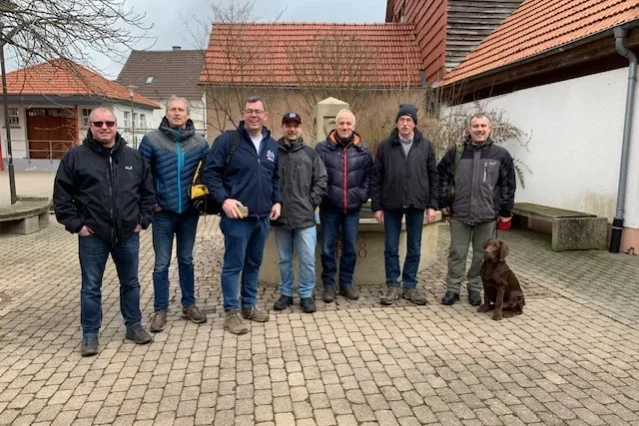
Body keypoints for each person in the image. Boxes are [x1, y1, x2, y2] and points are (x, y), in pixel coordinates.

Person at [53, 107, 155, 356]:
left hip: (127, 234)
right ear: (90, 126)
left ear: (116, 125)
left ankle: (134, 325)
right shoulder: (76, 157)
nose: (104, 127)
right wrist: (76, 225)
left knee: (131, 283)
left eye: (109, 123)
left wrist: (142, 220)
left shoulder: (133, 157)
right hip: (93, 235)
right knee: (90, 287)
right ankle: (90, 334)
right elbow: (61, 196)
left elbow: (148, 193)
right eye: (98, 123)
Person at [202, 96, 281, 335]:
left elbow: (275, 177)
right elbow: (210, 173)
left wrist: (277, 201)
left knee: (253, 263)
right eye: (249, 111)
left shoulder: (272, 145)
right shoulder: (228, 141)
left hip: (262, 217)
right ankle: (231, 312)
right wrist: (224, 200)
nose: (253, 115)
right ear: (243, 114)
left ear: (265, 115)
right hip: (236, 218)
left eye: (258, 111)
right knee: (233, 265)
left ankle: (249, 305)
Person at [139, 96, 209, 333]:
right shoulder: (151, 140)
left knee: (186, 259)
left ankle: (189, 304)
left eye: (181, 110)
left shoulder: (200, 143)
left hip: (189, 213)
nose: (177, 113)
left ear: (188, 114)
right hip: (163, 213)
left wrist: (203, 203)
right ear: (166, 113)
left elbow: (208, 174)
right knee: (161, 263)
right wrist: (152, 203)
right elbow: (142, 175)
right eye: (173, 109)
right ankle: (160, 309)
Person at [438, 113, 516, 306]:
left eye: (483, 126)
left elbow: (508, 185)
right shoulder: (455, 153)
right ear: (469, 129)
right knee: (457, 253)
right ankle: (452, 289)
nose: (479, 129)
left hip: (487, 215)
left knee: (483, 256)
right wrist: (443, 202)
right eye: (475, 126)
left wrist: (506, 211)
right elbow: (442, 178)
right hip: (459, 213)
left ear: (490, 129)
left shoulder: (500, 155)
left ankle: (475, 288)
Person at [371, 104, 439, 306]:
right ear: (396, 123)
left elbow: (433, 176)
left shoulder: (426, 146)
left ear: (415, 124)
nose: (405, 123)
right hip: (391, 203)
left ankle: (410, 285)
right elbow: (376, 177)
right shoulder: (385, 146)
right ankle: (393, 285)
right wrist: (377, 206)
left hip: (417, 203)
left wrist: (432, 204)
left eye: (409, 120)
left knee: (414, 247)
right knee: (391, 247)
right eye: (401, 120)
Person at [271, 112, 328, 314]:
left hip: (305, 218)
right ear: (282, 127)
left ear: (301, 128)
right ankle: (286, 293)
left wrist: (311, 202)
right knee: (284, 260)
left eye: (295, 125)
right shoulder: (273, 153)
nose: (292, 129)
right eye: (288, 125)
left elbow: (321, 179)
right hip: (281, 218)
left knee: (307, 260)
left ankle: (306, 295)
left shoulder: (310, 154)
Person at [315, 109, 373, 303]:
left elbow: (369, 178)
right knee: (327, 248)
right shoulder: (322, 149)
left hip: (352, 209)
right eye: (341, 123)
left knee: (350, 248)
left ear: (354, 126)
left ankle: (346, 283)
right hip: (329, 208)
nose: (345, 127)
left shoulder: (363, 150)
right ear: (336, 125)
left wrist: (362, 196)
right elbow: (316, 175)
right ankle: (329, 285)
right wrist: (325, 196)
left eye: (348, 124)